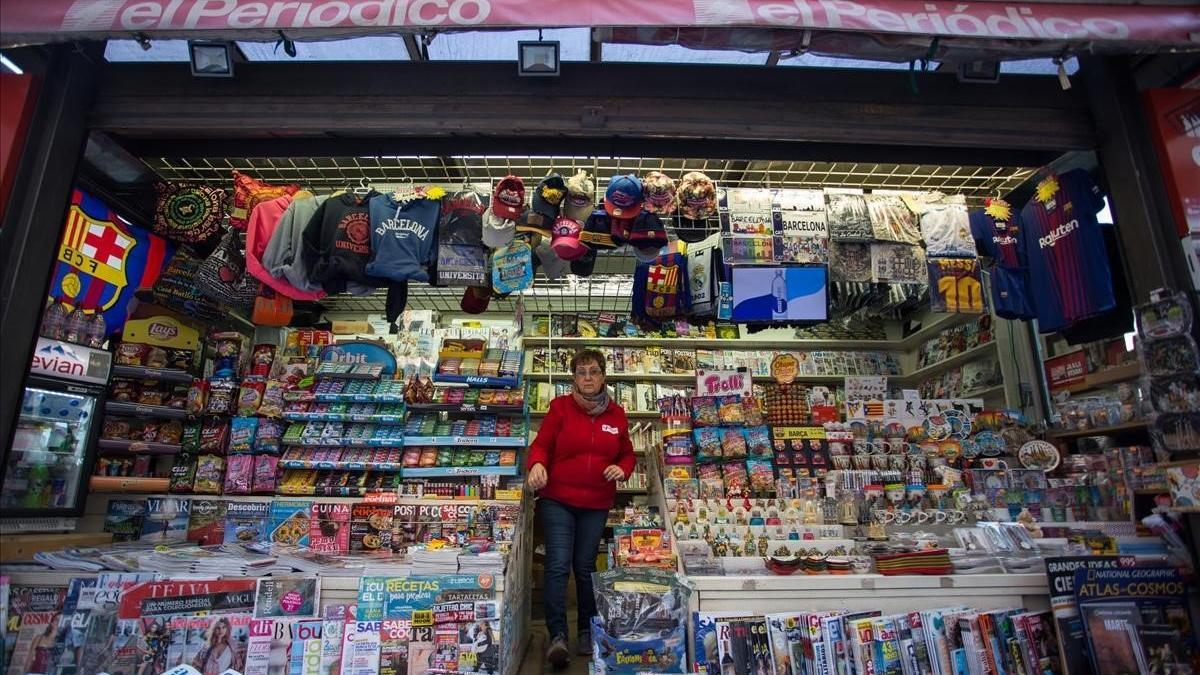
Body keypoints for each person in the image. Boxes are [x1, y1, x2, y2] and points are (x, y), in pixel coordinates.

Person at [527, 349, 636, 668]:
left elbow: (627, 455)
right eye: (581, 372)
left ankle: (588, 632)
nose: (587, 377)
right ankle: (558, 636)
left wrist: (623, 469)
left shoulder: (617, 414)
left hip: (597, 502)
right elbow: (542, 445)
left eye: (593, 371)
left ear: (604, 375)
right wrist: (536, 465)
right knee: (558, 565)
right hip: (558, 498)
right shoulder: (559, 408)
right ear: (573, 378)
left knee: (586, 567)